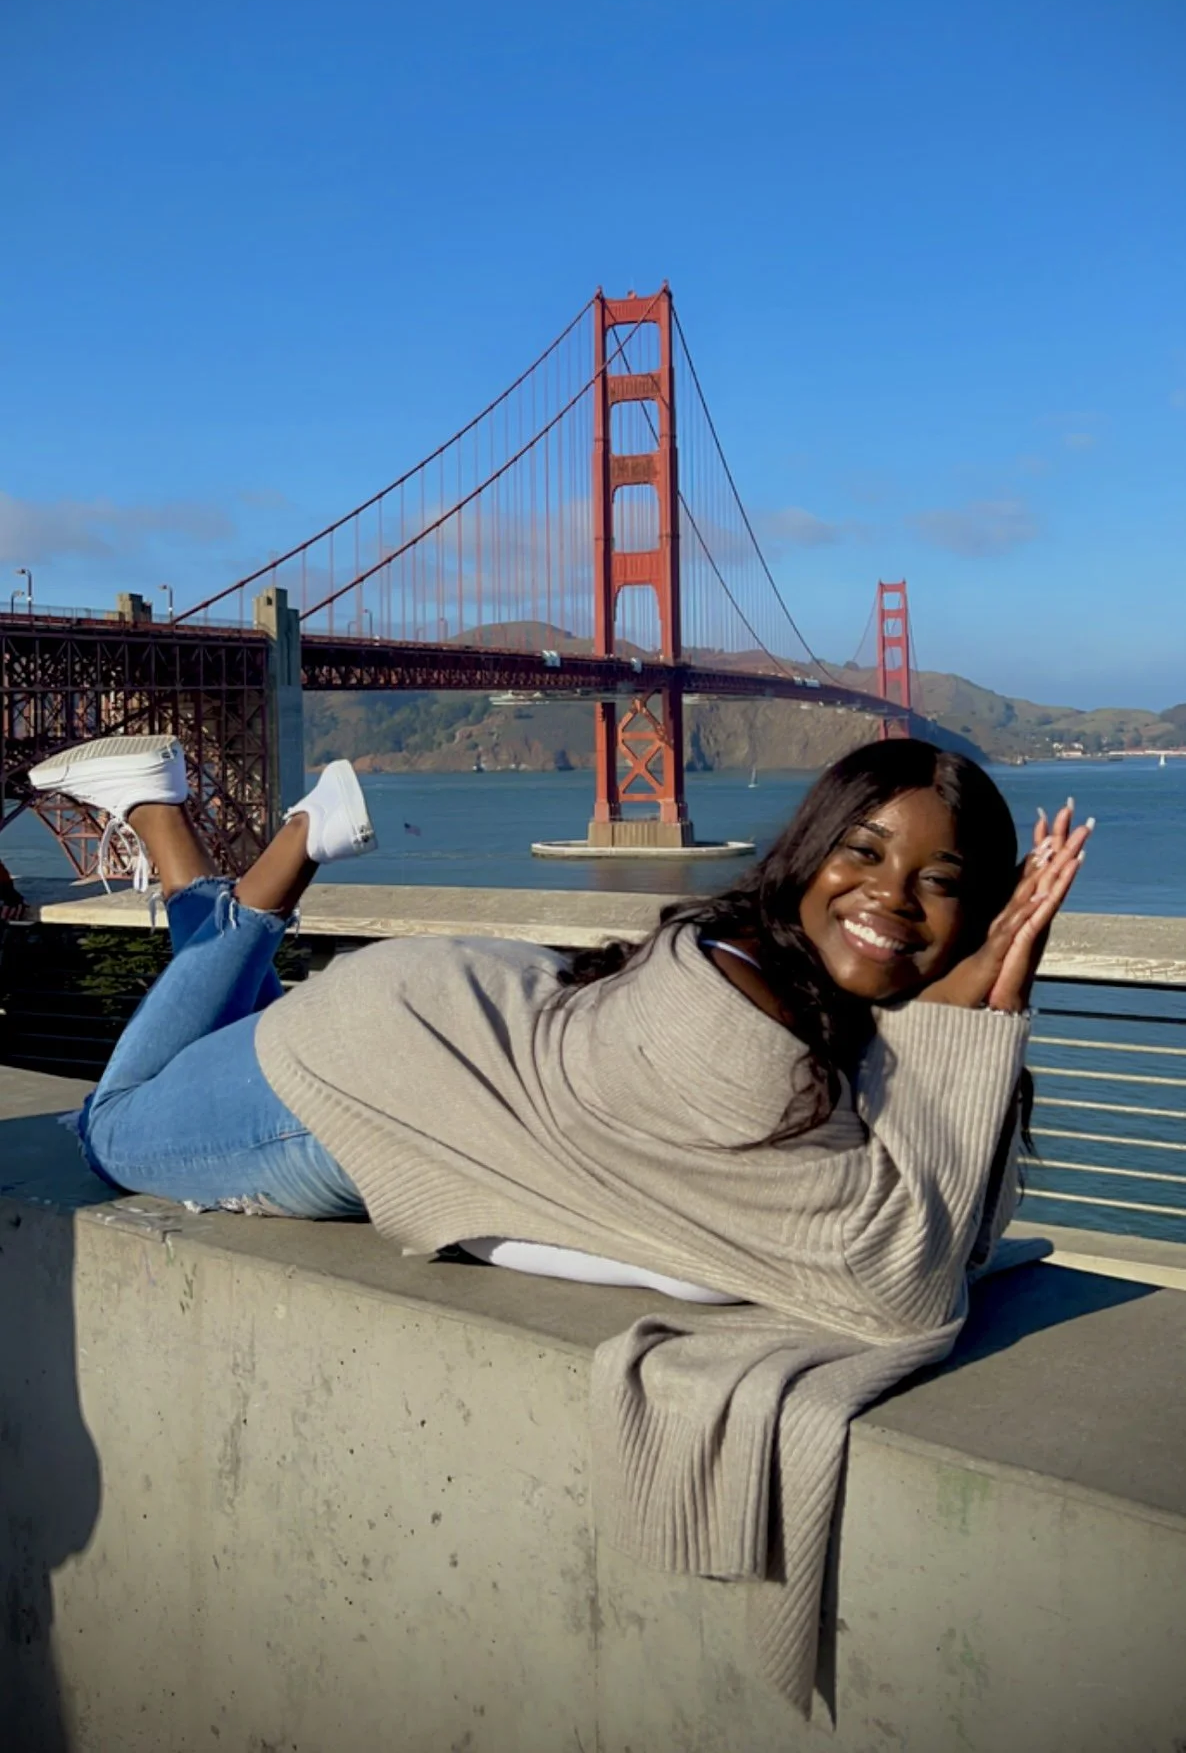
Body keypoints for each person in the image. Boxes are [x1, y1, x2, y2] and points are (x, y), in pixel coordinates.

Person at [33, 731, 1090, 1709]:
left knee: (186, 1042)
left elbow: (938, 1224)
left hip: (461, 1022)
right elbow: (899, 1280)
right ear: (811, 850)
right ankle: (274, 857)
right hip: (355, 1076)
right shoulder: (740, 1049)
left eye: (941, 885)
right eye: (862, 853)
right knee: (111, 1131)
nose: (893, 899)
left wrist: (981, 982)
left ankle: (185, 840)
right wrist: (978, 998)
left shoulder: (794, 972)